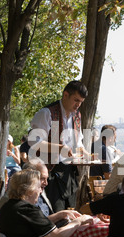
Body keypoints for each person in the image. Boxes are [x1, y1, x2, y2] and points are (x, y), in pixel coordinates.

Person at [29, 80, 88, 212]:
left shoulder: (77, 116)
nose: (78, 105)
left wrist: (87, 155)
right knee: (56, 214)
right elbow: (35, 143)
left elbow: (78, 144)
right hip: (50, 174)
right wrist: (60, 148)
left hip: (69, 175)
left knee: (71, 213)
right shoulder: (47, 113)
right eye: (76, 100)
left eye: (81, 102)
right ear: (65, 95)